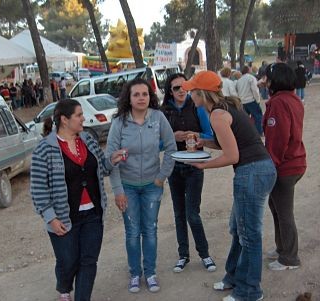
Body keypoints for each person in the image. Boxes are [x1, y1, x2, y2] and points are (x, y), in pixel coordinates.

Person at [181, 71, 277, 301]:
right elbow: (232, 142)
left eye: (192, 91)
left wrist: (204, 164)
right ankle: (232, 278)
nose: (189, 94)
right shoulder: (225, 107)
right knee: (238, 229)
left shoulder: (217, 115)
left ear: (202, 93)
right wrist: (205, 142)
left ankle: (250, 291)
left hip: (251, 173)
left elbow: (232, 155)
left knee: (249, 235)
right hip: (260, 169)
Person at [30, 99, 124, 301]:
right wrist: (51, 218)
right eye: (79, 115)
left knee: (89, 261)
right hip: (63, 217)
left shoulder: (88, 140)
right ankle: (64, 288)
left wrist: (112, 159)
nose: (83, 119)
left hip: (92, 213)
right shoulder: (44, 149)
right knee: (68, 261)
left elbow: (103, 168)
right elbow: (38, 189)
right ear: (64, 120)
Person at [105, 78, 176, 294]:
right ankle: (135, 273)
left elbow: (171, 147)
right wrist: (118, 191)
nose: (141, 98)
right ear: (129, 97)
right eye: (136, 94)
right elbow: (110, 158)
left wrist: (161, 177)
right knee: (132, 232)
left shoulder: (158, 117)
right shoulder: (119, 123)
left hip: (152, 186)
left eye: (145, 94)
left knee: (151, 230)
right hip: (127, 187)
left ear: (150, 96)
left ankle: (151, 272)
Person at [160, 73, 216, 274]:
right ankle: (183, 255)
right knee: (178, 213)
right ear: (170, 92)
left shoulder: (197, 107)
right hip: (174, 167)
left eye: (184, 86)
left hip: (195, 166)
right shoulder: (164, 112)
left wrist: (196, 136)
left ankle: (204, 254)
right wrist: (171, 137)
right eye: (176, 88)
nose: (181, 90)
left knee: (192, 213)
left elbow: (210, 134)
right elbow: (158, 143)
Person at [263, 63, 306, 271]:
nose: (265, 82)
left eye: (267, 79)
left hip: (284, 166)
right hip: (294, 162)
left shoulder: (279, 103)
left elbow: (279, 138)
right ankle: (282, 248)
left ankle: (290, 257)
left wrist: (270, 165)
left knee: (284, 212)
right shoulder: (293, 98)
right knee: (276, 208)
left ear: (275, 81)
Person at [236, 65, 263, 136]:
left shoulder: (239, 80)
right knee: (257, 116)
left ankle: (246, 132)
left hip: (243, 101)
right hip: (251, 100)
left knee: (245, 119)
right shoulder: (251, 78)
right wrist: (257, 99)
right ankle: (258, 132)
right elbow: (255, 89)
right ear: (248, 70)